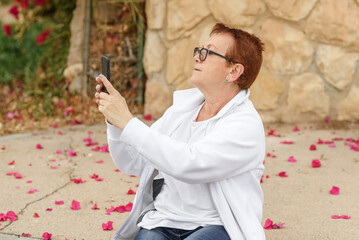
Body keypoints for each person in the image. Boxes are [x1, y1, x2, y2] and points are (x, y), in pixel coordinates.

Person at [95, 23, 266, 240]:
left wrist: (128, 122)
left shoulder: (245, 125)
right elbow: (134, 162)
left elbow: (189, 163)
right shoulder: (182, 111)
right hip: (163, 221)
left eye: (207, 53)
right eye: (199, 51)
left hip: (217, 226)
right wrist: (115, 121)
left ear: (233, 71)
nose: (197, 57)